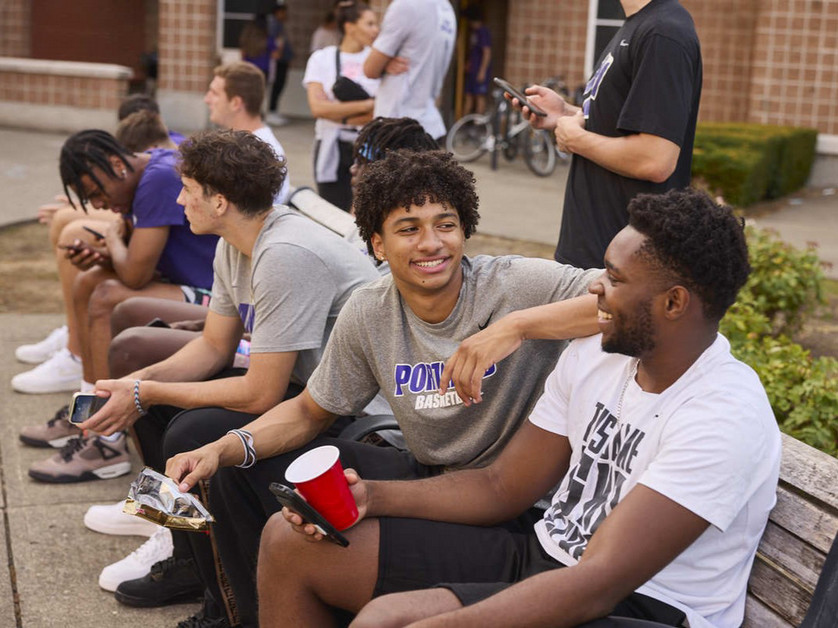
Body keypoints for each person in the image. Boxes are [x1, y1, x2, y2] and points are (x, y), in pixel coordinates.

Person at [259, 187, 781, 628]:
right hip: (546, 558)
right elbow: (500, 486)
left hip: (642, 608)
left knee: (392, 621)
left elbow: (597, 585)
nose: (595, 286)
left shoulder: (723, 415)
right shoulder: (596, 356)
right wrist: (369, 496)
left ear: (673, 303)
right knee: (297, 546)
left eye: (615, 279)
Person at [164, 149, 601, 626]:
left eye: (445, 224)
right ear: (377, 245)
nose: (431, 243)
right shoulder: (370, 311)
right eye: (409, 228)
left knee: (291, 537)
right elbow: (311, 411)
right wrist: (225, 448)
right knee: (235, 468)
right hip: (432, 477)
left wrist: (515, 327)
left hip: (517, 501)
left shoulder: (516, 286)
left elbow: (630, 297)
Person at [82, 129, 379, 624]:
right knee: (158, 412)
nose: (178, 199)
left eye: (187, 189)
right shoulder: (234, 242)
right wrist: (136, 386)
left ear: (218, 201)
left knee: (192, 430)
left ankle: (229, 610)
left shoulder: (285, 253)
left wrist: (145, 389)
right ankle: (188, 562)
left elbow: (260, 391)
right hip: (304, 389)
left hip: (348, 413)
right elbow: (212, 347)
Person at [19, 130, 219, 484]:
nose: (98, 205)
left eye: (97, 193)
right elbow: (138, 265)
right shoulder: (146, 172)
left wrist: (112, 238)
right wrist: (106, 253)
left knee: (108, 294)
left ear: (116, 164)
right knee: (90, 280)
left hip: (215, 293)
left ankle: (106, 440)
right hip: (186, 282)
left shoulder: (157, 178)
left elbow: (136, 274)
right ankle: (86, 412)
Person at [516, 0, 702, 270]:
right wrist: (564, 114)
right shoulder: (639, 25)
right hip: (596, 262)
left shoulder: (663, 33)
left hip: (621, 272)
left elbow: (655, 159)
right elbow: (622, 125)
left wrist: (576, 140)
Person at [303, 0, 380, 211]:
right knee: (332, 212)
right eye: (369, 24)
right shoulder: (322, 59)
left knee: (365, 214)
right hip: (330, 146)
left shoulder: (377, 62)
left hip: (369, 148)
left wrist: (335, 113)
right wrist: (366, 104)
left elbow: (380, 114)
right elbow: (318, 108)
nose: (376, 30)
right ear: (349, 27)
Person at [363, 0, 456, 141]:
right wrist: (387, 62)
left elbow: (370, 69)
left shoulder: (406, 5)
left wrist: (383, 63)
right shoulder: (446, 8)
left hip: (394, 125)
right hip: (428, 123)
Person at [204, 60, 292, 204]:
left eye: (214, 93)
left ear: (236, 103)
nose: (207, 99)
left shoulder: (258, 153)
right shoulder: (246, 145)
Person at [266, 0, 294, 126]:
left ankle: (274, 110)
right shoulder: (274, 24)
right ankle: (271, 112)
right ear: (278, 12)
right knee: (276, 85)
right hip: (277, 61)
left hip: (282, 60)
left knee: (279, 85)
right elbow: (276, 44)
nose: (285, 15)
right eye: (284, 12)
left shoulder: (279, 24)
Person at [463, 6, 492, 115]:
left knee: (479, 96)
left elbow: (487, 52)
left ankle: (478, 123)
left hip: (479, 70)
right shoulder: (474, 32)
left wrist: (482, 71)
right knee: (469, 96)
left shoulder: (483, 32)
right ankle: (464, 122)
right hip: (473, 69)